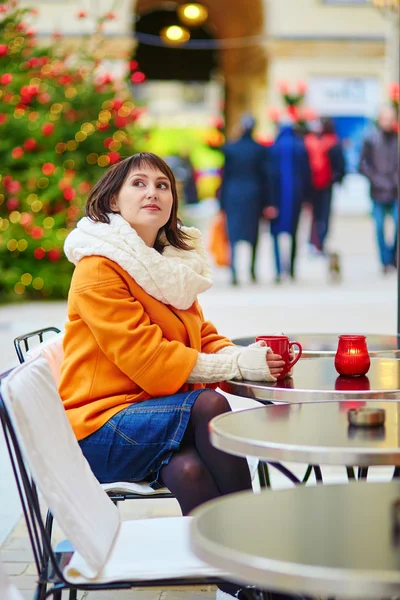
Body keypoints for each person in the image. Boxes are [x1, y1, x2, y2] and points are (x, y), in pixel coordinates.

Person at [59, 152, 293, 600]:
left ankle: (239, 583)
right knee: (208, 404)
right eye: (139, 184)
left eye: (163, 185)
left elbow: (200, 334)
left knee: (188, 471)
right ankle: (263, 556)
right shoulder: (98, 268)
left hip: (147, 418)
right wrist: (233, 367)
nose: (153, 192)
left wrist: (243, 356)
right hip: (99, 429)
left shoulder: (166, 266)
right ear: (111, 200)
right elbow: (147, 359)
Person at [219, 115, 270, 285]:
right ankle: (252, 270)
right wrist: (267, 202)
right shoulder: (260, 150)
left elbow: (224, 176)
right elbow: (265, 178)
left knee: (233, 233)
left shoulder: (230, 149)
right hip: (254, 195)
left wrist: (221, 202)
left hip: (233, 194)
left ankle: (234, 271)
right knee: (253, 233)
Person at [267, 118, 312, 283]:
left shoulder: (273, 148)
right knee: (294, 233)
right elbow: (307, 174)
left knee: (276, 235)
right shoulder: (300, 146)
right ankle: (292, 269)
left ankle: (279, 270)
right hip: (295, 198)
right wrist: (307, 198)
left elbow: (269, 176)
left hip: (276, 199)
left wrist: (269, 201)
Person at [359, 106, 398, 274]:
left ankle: (393, 257)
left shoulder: (397, 140)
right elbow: (363, 164)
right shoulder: (371, 139)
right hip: (378, 191)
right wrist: (376, 179)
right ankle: (385, 261)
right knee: (379, 227)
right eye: (385, 119)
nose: (388, 122)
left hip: (396, 191)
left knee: (397, 225)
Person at [305, 117, 346, 255]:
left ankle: (317, 242)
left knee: (320, 215)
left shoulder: (326, 142)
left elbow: (339, 165)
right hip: (318, 185)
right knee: (321, 215)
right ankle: (317, 242)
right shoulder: (329, 142)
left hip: (321, 184)